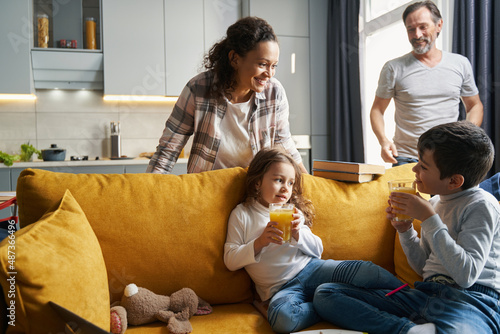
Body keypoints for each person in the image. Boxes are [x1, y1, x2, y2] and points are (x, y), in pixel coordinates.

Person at [313, 121, 500, 334]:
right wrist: (405, 231)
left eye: (423, 166)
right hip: (425, 295)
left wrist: (429, 219)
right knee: (326, 294)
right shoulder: (436, 202)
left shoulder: (481, 205)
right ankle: (408, 331)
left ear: (454, 181)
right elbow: (423, 268)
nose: (414, 169)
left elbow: (466, 275)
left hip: (472, 302)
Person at [223, 148, 403, 333]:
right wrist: (259, 242)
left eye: (291, 183)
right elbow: (230, 260)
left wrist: (298, 234)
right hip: (280, 289)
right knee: (282, 319)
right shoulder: (242, 214)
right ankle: (328, 304)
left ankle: (409, 295)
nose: (286, 188)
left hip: (312, 269)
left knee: (365, 270)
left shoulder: (293, 212)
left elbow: (318, 251)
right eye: (279, 180)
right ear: (257, 183)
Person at [146, 16, 307, 174]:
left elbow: (285, 146)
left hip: (252, 191)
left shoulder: (274, 92)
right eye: (263, 64)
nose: (269, 74)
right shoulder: (198, 88)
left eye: (274, 66)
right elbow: (168, 150)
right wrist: (149, 193)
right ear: (234, 58)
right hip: (207, 189)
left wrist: (310, 187)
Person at [370, 0, 483, 166]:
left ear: (439, 25)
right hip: (407, 158)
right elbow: (377, 110)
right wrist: (383, 141)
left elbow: (475, 105)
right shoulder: (393, 68)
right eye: (411, 29)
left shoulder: (460, 64)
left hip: (449, 156)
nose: (417, 35)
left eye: (423, 27)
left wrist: (464, 134)